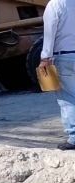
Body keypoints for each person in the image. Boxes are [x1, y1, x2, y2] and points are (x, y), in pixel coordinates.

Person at [39, 0, 75, 150]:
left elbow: (49, 33)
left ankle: (73, 138)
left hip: (63, 57)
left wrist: (44, 58)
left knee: (67, 98)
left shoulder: (55, 5)